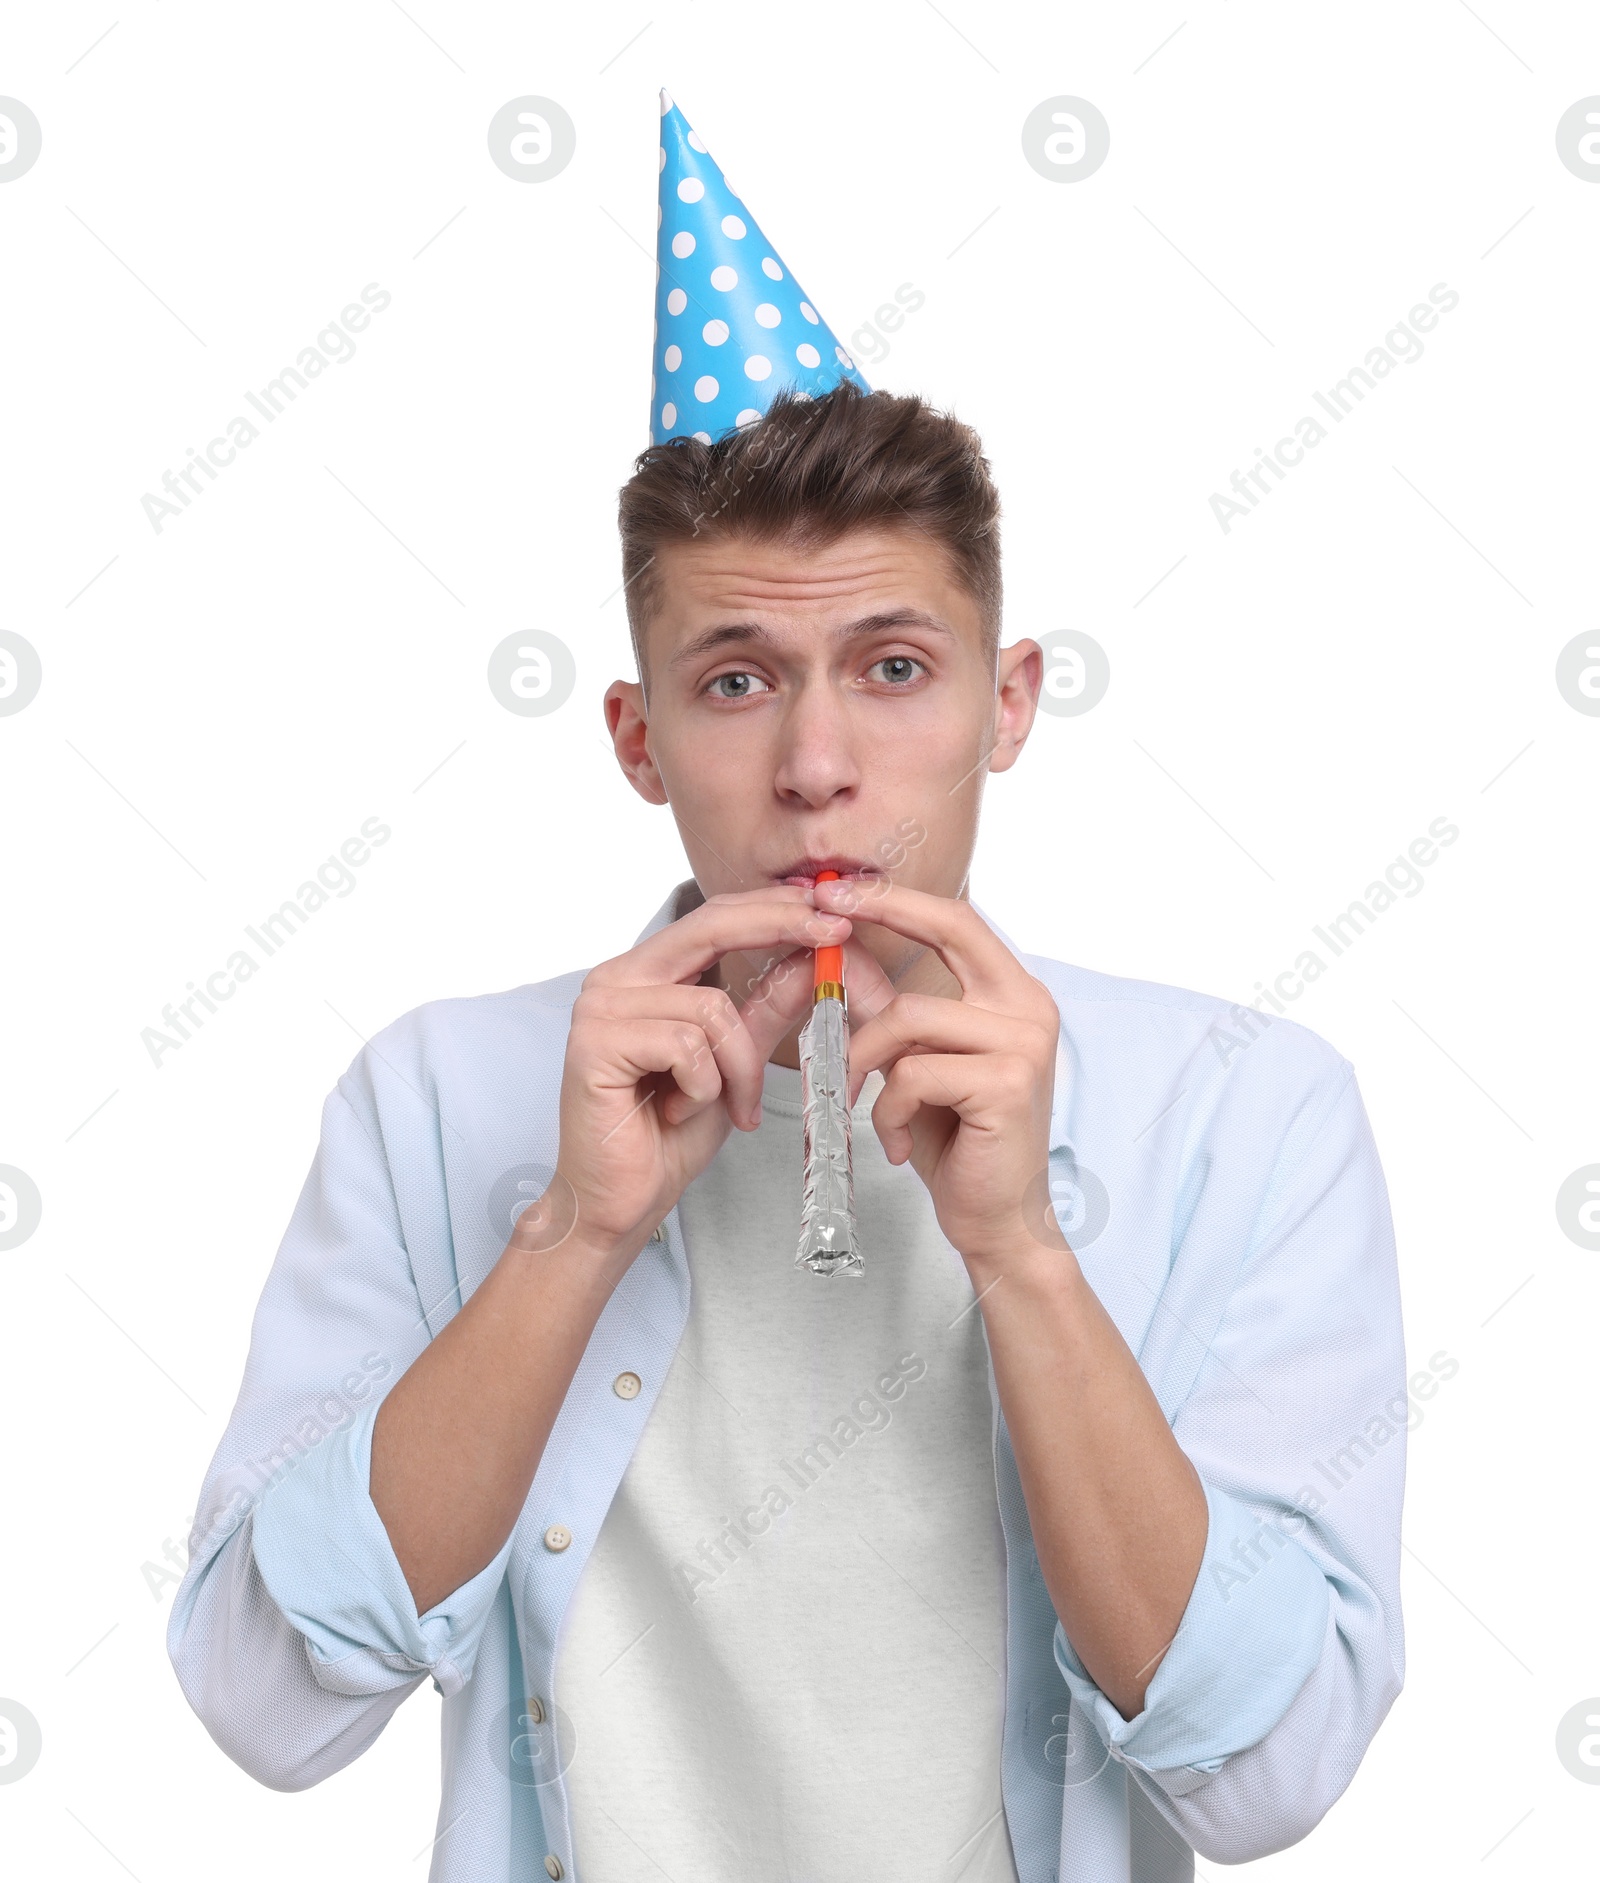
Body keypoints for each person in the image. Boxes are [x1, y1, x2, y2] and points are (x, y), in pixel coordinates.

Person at [167, 98, 1406, 1883]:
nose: (820, 765)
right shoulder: (437, 1099)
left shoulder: (1251, 1109)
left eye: (893, 668)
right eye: (737, 680)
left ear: (1009, 702)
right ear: (637, 737)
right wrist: (573, 1239)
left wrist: (1027, 1258)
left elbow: (1267, 1778)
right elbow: (267, 1704)